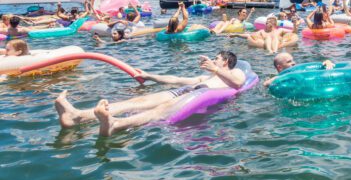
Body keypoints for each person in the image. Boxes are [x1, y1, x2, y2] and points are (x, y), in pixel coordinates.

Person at [55, 51, 245, 135]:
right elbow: (176, 80)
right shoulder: (206, 77)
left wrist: (215, 69)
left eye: (216, 59)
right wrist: (149, 76)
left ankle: (116, 124)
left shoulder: (234, 72)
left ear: (225, 62)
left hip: (198, 96)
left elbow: (237, 84)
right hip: (187, 91)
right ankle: (77, 116)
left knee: (162, 108)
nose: (212, 61)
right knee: (137, 101)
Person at [263, 52, 334, 86]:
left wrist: (327, 62)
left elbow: (317, 67)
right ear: (280, 67)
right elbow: (265, 84)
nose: (293, 63)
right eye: (289, 62)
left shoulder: (301, 71)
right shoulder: (276, 79)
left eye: (293, 60)